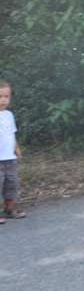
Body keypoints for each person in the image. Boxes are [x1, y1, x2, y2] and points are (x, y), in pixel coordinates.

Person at [0, 80, 26, 223]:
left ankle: (9, 209)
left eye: (6, 96)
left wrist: (16, 148)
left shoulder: (9, 115)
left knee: (11, 183)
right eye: (0, 97)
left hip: (9, 158)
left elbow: (12, 133)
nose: (3, 100)